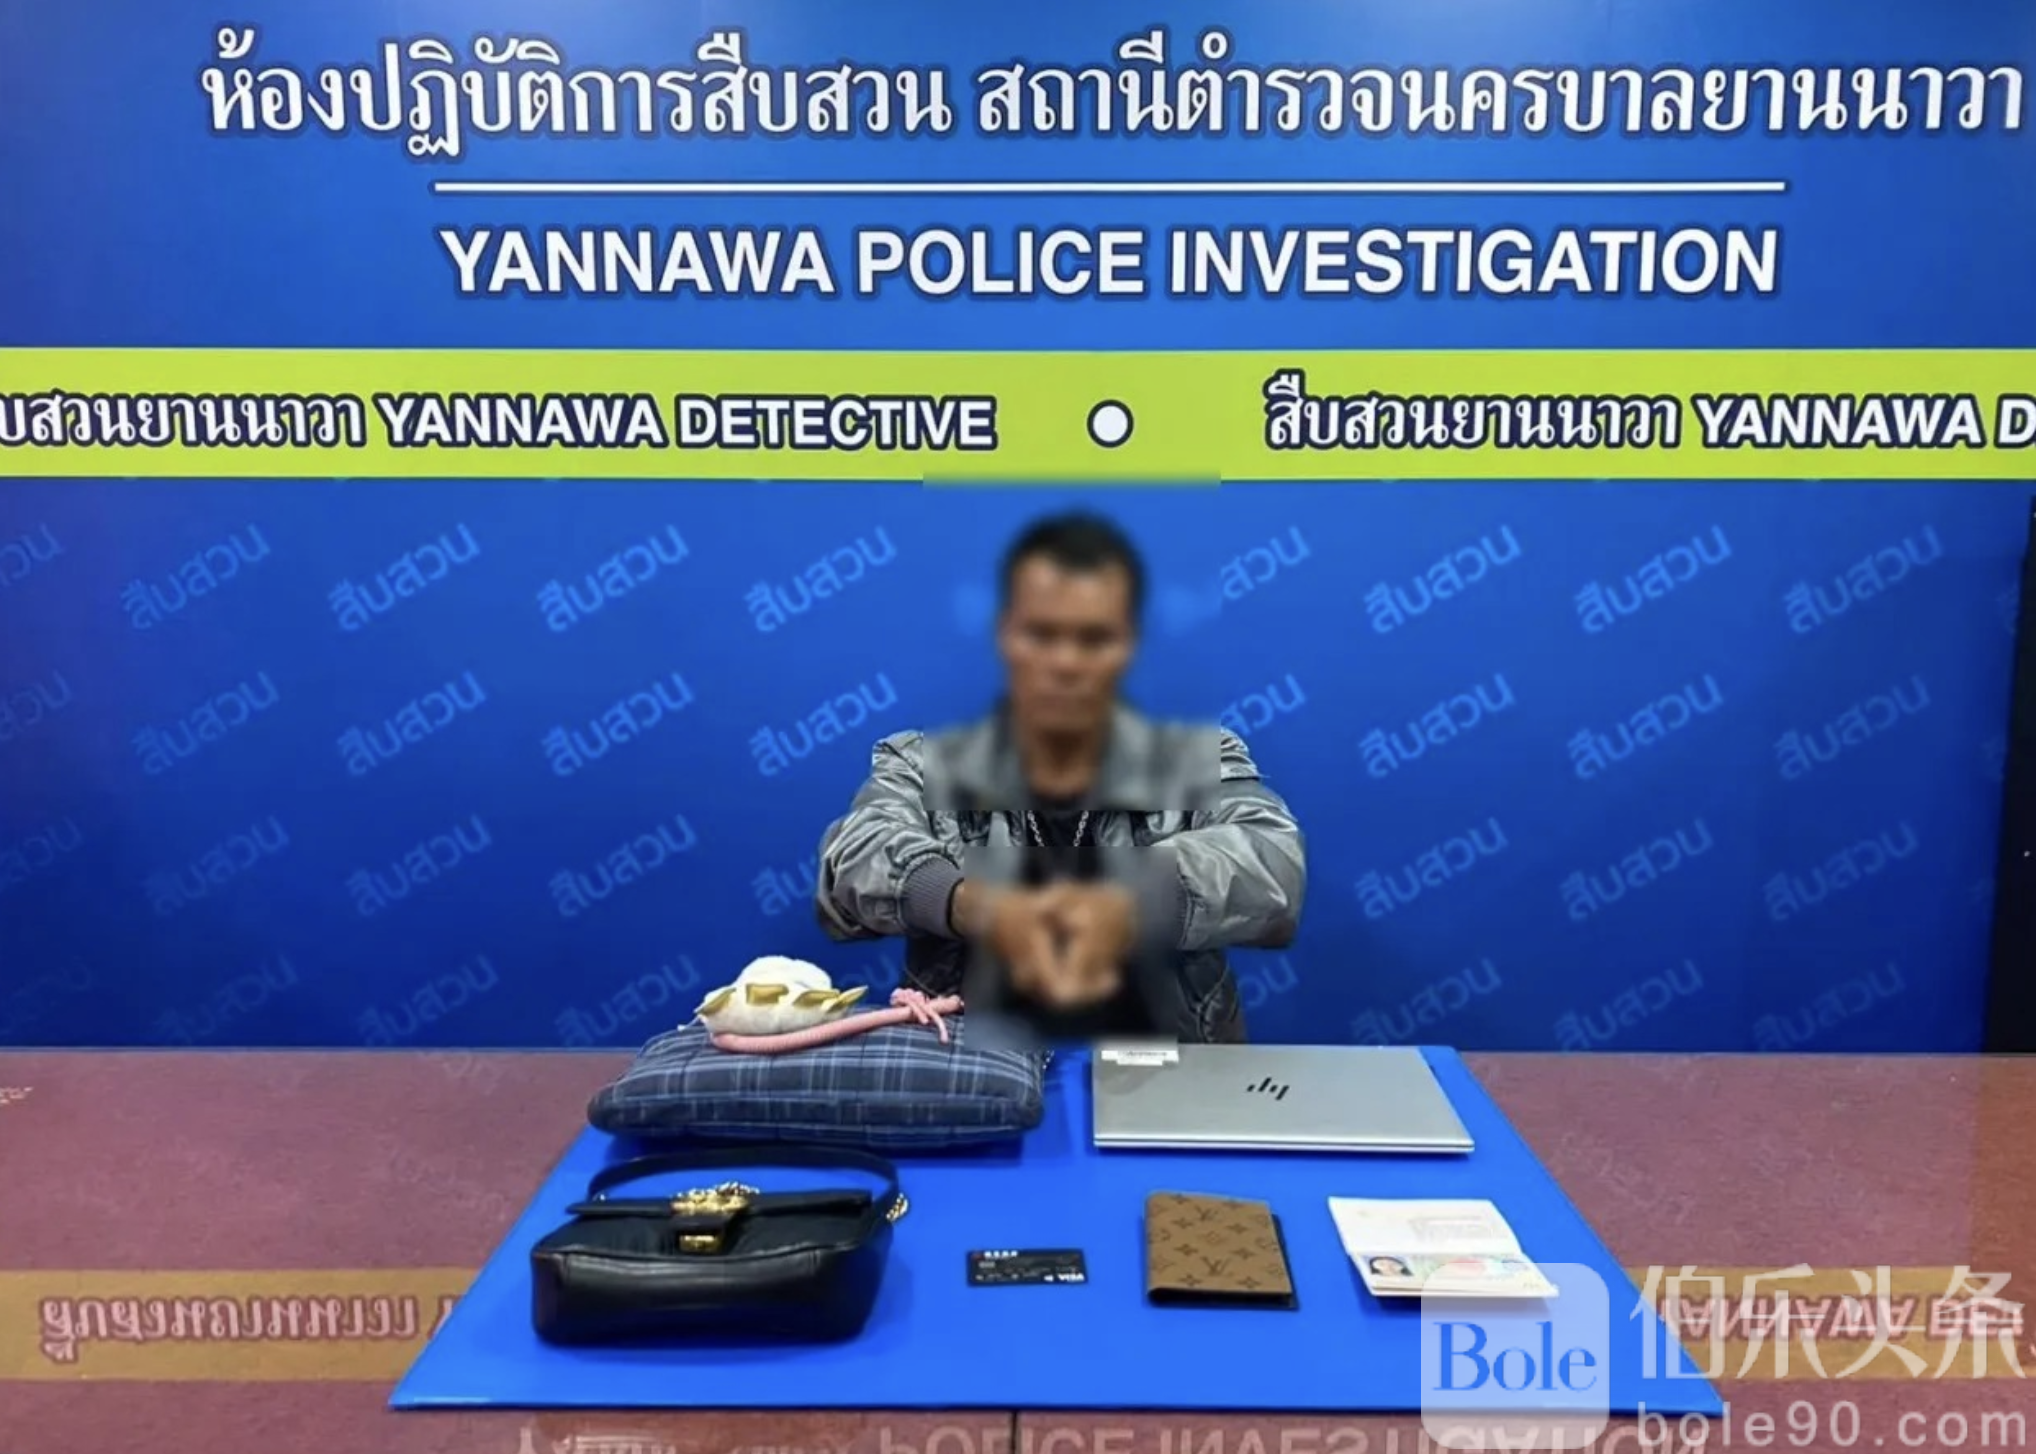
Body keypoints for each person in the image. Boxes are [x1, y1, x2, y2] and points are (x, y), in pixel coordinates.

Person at [813, 511, 1307, 1042]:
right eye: (1042, 634)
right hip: (971, 1062)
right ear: (1007, 637)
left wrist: (1135, 899)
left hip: (1169, 1062)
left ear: (1127, 645)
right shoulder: (921, 764)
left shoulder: (1199, 760)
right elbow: (849, 864)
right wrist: (970, 903)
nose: (1066, 662)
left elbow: (1275, 864)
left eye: (1094, 638)